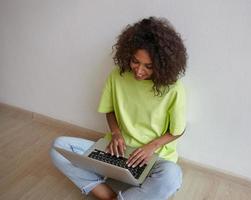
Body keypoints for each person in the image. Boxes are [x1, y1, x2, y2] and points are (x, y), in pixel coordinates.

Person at [50, 16, 187, 200]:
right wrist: (115, 133)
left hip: (153, 157)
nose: (139, 71)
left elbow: (178, 130)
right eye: (135, 61)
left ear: (162, 65)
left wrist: (150, 147)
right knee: (59, 147)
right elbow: (110, 109)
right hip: (116, 151)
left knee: (172, 176)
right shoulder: (117, 76)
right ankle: (107, 195)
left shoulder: (173, 88)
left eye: (149, 66)